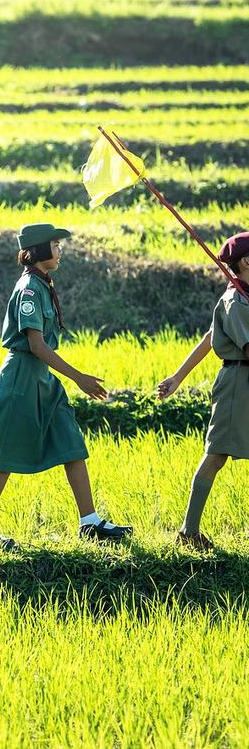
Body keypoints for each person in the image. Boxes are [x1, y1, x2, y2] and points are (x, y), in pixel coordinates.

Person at [0, 224, 132, 550]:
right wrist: (78, 377)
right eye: (55, 244)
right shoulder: (29, 288)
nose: (60, 249)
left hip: (42, 379)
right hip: (23, 378)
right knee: (4, 454)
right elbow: (36, 345)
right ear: (39, 250)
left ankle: (90, 523)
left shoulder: (41, 284)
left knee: (71, 442)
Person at [157, 231, 249, 550]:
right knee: (217, 454)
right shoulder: (235, 300)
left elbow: (208, 338)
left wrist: (178, 377)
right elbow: (233, 344)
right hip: (239, 383)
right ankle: (189, 531)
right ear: (246, 262)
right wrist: (178, 377)